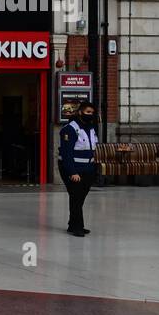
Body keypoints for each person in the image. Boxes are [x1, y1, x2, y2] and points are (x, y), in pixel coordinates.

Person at [58, 100, 100, 237]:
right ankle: (77, 227)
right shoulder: (70, 129)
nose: (90, 115)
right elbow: (66, 153)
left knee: (80, 198)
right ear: (80, 112)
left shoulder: (91, 128)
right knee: (76, 198)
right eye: (88, 112)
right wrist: (72, 172)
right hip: (73, 168)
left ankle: (72, 224)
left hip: (88, 168)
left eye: (92, 113)